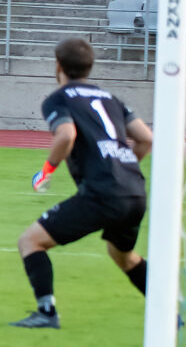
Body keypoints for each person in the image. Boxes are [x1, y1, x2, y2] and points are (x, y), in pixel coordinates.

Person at [11, 37, 153, 329]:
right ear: (89, 68)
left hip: (103, 193)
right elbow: (146, 138)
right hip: (135, 191)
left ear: (58, 66)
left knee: (30, 242)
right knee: (123, 256)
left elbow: (66, 135)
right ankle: (168, 312)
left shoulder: (59, 98)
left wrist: (47, 170)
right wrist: (123, 167)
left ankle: (46, 313)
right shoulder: (110, 98)